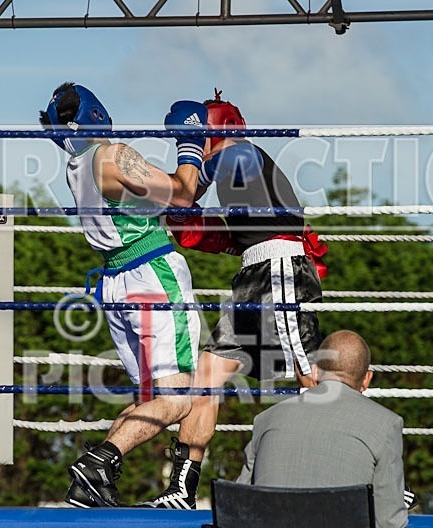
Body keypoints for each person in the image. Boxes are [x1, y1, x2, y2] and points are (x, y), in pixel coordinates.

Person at [142, 90, 327, 508]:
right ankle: (182, 487)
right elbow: (207, 231)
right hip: (251, 275)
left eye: (198, 136)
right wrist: (179, 207)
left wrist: (187, 171)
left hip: (281, 269)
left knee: (309, 371)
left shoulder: (242, 153)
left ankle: (359, 468)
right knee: (207, 375)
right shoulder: (237, 175)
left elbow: (204, 181)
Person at [39, 82, 208, 507]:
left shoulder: (76, 165)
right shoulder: (112, 154)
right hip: (153, 275)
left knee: (153, 398)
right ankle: (102, 459)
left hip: (117, 283)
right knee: (177, 397)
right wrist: (190, 141)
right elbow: (182, 192)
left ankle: (89, 482)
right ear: (96, 114)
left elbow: (162, 198)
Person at [238, 330, 408, 528]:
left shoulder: (266, 419)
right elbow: (389, 522)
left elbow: (240, 505)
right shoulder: (386, 424)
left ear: (315, 371)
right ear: (366, 379)